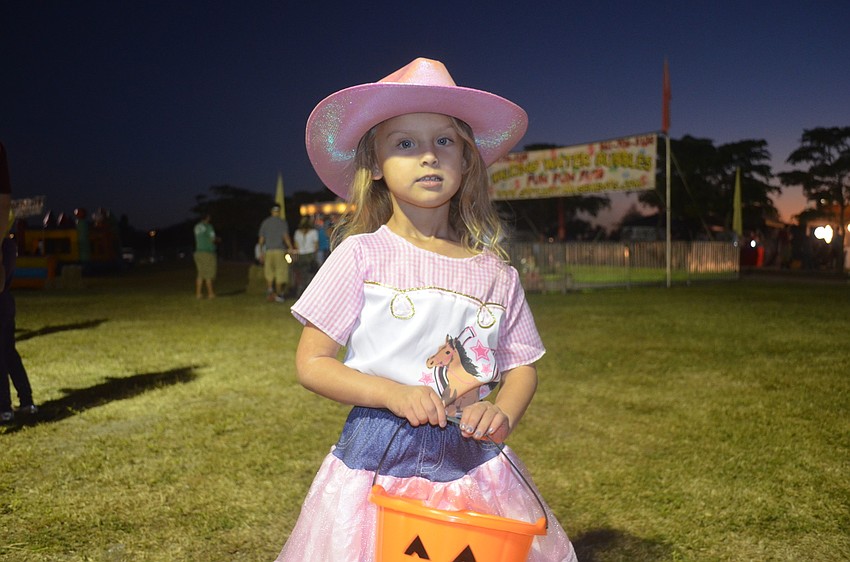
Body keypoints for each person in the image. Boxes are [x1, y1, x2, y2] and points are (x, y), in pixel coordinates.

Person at [274, 58, 577, 561]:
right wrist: (392, 393)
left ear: (466, 160)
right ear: (374, 166)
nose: (429, 157)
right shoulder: (361, 255)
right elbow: (312, 363)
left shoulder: (496, 275)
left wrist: (500, 411)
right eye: (405, 144)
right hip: (377, 457)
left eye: (444, 142)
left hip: (472, 459)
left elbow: (521, 369)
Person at [0, 143, 35, 424]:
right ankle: (26, 402)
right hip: (6, 300)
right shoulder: (9, 247)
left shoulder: (4, 248)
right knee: (7, 350)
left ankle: (4, 408)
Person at [257, 205, 294, 302]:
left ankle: (270, 291)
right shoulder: (282, 222)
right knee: (280, 272)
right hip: (279, 250)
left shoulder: (265, 222)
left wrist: (261, 252)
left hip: (268, 251)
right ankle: (279, 294)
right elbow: (285, 236)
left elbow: (261, 239)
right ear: (279, 212)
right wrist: (290, 247)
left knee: (269, 272)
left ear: (271, 211)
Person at [292, 216, 319, 297]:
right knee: (310, 275)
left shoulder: (297, 233)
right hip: (310, 255)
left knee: (302, 275)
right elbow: (316, 245)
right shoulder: (313, 232)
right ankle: (311, 293)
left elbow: (296, 245)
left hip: (301, 255)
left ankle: (300, 293)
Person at [193, 213, 218, 299]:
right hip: (207, 252)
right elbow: (212, 239)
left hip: (198, 252)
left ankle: (198, 293)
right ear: (208, 217)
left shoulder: (196, 227)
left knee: (201, 273)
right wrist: (218, 239)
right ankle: (211, 294)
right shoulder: (208, 226)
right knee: (209, 273)